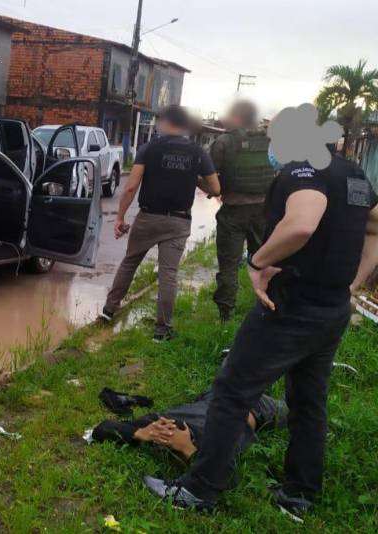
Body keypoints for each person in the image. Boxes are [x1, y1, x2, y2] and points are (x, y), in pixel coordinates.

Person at [144, 151, 378, 516]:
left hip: (289, 307)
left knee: (232, 393)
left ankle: (199, 491)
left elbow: (302, 223)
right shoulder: (354, 175)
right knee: (308, 403)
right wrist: (352, 284)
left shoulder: (305, 170)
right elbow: (375, 225)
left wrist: (258, 262)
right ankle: (299, 498)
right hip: (331, 312)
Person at [100, 105, 220, 341]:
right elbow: (215, 188)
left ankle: (109, 310)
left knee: (129, 262)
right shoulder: (197, 152)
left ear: (165, 123)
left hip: (147, 218)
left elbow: (131, 186)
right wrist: (193, 179)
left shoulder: (149, 148)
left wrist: (121, 217)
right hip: (178, 221)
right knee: (168, 274)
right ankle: (161, 330)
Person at [210, 101, 276, 321]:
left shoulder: (224, 142)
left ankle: (225, 316)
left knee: (229, 265)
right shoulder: (271, 140)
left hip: (234, 211)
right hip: (264, 211)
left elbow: (208, 174)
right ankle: (272, 306)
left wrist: (211, 189)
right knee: (268, 260)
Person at [92, 390, 287, 461]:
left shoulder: (160, 422)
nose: (167, 432)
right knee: (298, 406)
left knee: (242, 359)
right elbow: (223, 480)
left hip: (222, 391)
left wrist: (142, 431)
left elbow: (102, 428)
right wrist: (142, 433)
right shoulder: (212, 444)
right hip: (258, 408)